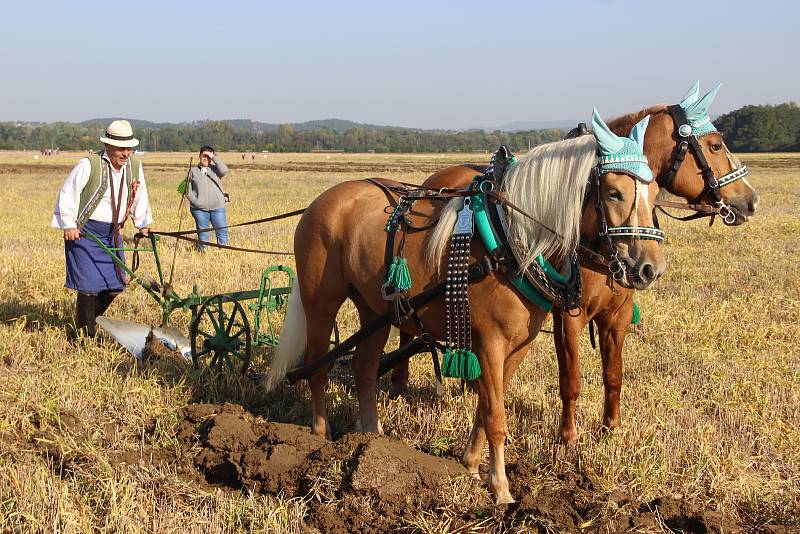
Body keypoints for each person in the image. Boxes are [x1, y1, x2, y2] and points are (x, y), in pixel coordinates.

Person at [51, 120, 152, 339]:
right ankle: (84, 336)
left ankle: (83, 324)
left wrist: (143, 223)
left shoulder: (134, 166)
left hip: (113, 232)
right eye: (120, 148)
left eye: (129, 148)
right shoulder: (89, 164)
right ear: (108, 146)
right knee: (88, 286)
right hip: (86, 232)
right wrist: (69, 224)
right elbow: (68, 193)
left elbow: (139, 195)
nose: (126, 153)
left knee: (115, 284)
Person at [186, 146, 229, 251]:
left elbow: (225, 170)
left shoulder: (215, 170)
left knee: (222, 232)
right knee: (203, 234)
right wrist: (195, 201)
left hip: (218, 207)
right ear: (199, 156)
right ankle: (204, 254)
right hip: (199, 209)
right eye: (203, 156)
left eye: (208, 157)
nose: (206, 158)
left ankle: (224, 254)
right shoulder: (193, 171)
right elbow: (184, 188)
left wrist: (213, 157)